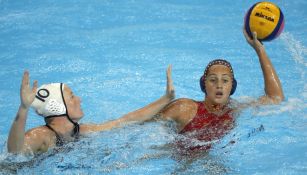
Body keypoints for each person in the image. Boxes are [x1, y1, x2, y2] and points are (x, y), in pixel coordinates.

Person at [154, 29, 284, 152]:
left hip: (211, 161)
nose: (219, 85)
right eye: (213, 80)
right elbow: (144, 125)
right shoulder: (184, 108)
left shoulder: (234, 110)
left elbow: (276, 98)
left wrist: (260, 50)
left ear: (232, 87)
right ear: (203, 84)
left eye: (225, 80)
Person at [7, 66, 175, 155]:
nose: (79, 99)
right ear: (56, 107)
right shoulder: (42, 135)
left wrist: (166, 98)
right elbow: (15, 152)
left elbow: (125, 120)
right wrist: (23, 108)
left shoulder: (82, 130)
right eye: (72, 97)